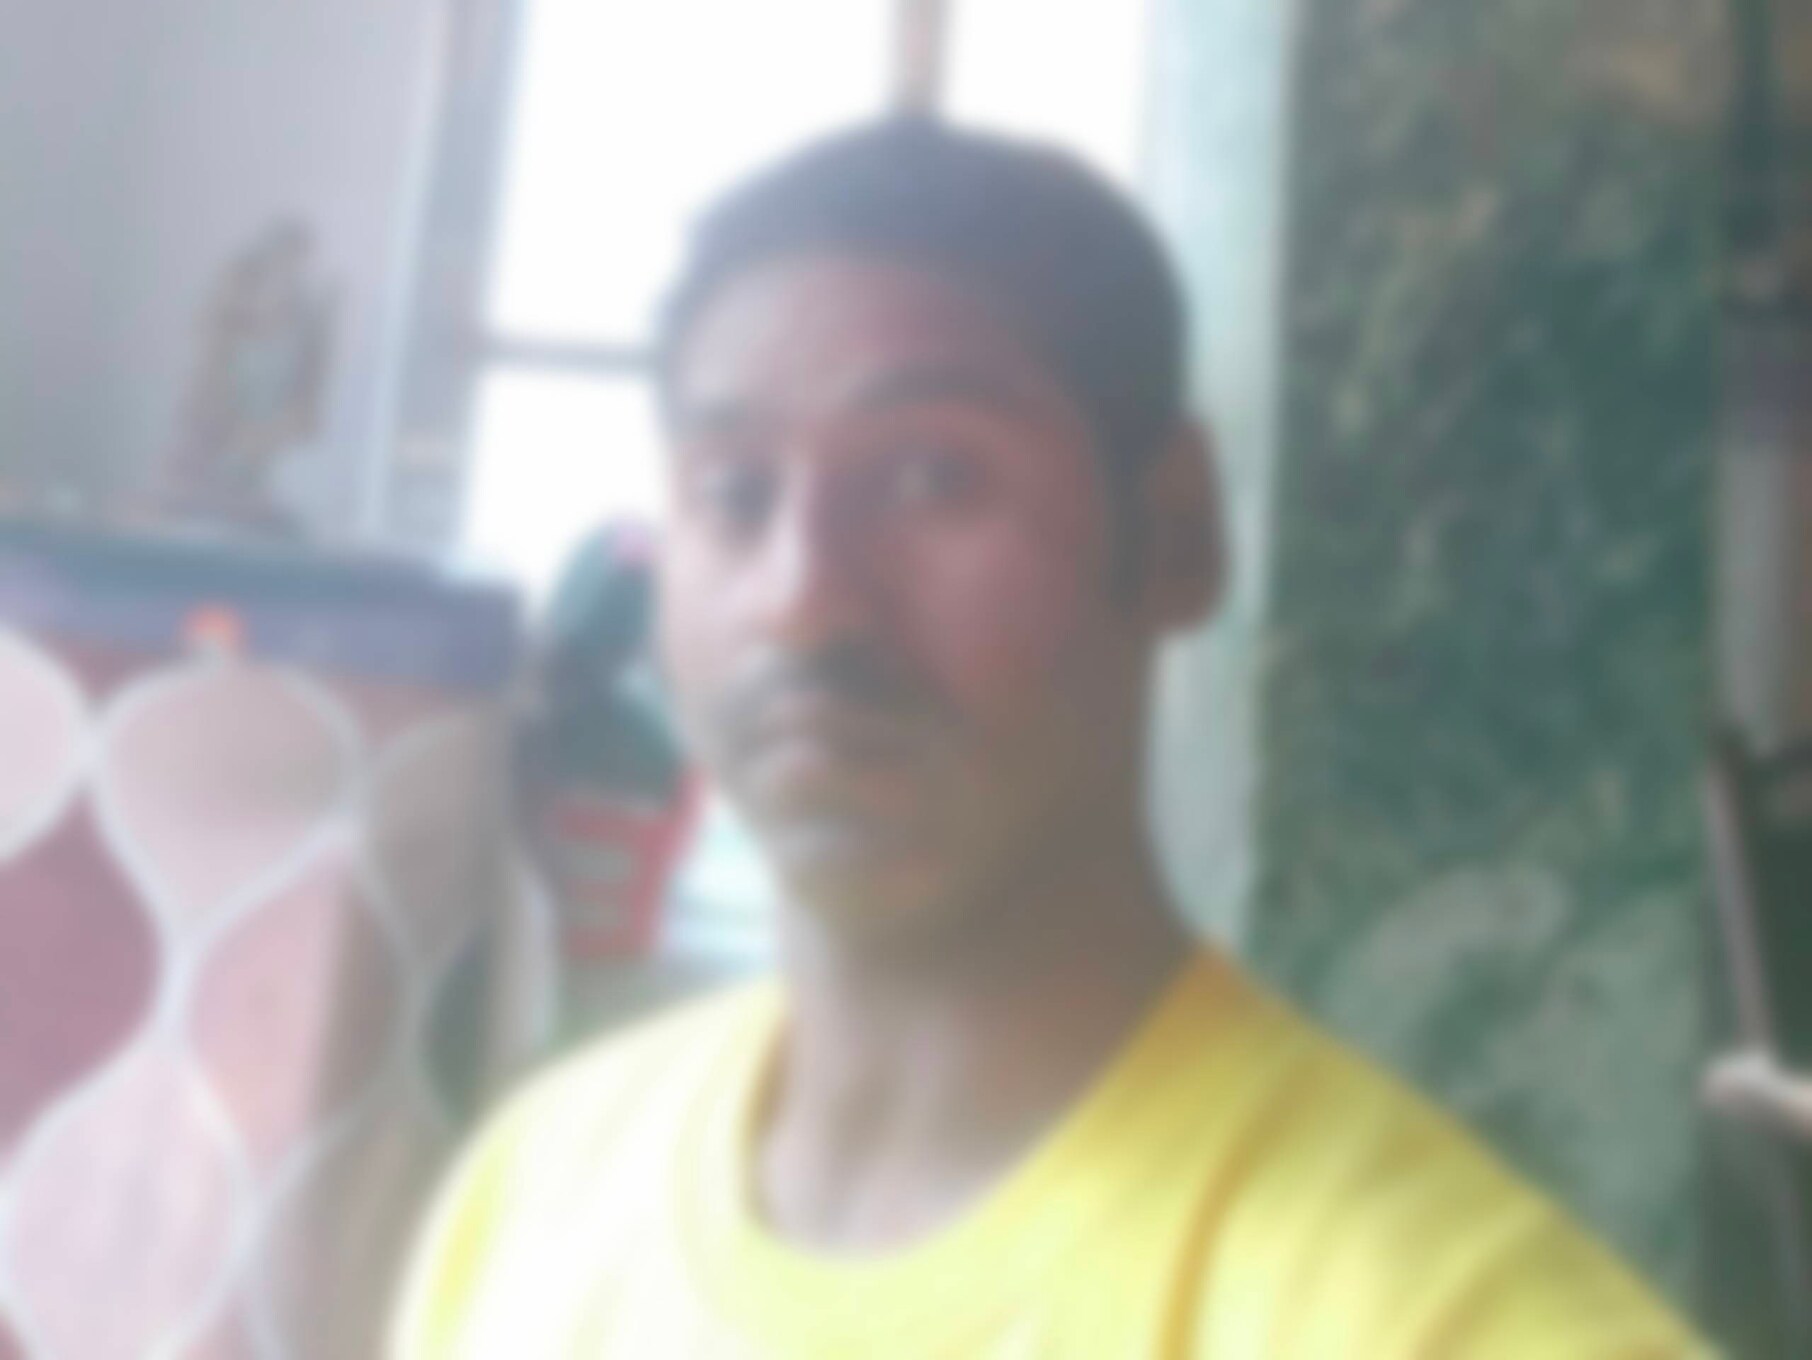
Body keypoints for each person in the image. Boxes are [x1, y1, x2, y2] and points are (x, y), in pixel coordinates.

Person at [393, 120, 1707, 1358]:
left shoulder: (1442, 1318)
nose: (803, 595)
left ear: (1177, 533)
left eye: (934, 477)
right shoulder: (529, 1195)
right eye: (734, 493)